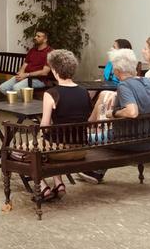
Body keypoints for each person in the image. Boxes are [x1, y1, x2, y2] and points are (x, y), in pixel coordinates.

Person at [79, 47, 150, 184]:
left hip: (130, 141)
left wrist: (113, 113)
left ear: (117, 70)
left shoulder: (124, 86)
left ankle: (93, 171)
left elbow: (132, 112)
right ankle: (97, 171)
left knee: (84, 138)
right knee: (106, 135)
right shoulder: (149, 82)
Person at [37, 50, 92, 201]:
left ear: (55, 71)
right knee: (50, 143)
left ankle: (42, 187)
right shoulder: (84, 92)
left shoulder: (51, 93)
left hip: (60, 150)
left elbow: (45, 126)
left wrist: (41, 135)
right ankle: (58, 183)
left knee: (24, 151)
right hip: (81, 149)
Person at [0, 30, 52, 96]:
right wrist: (21, 74)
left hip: (39, 80)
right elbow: (25, 64)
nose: (35, 37)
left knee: (16, 88)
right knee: (3, 88)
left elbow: (44, 72)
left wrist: (26, 75)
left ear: (45, 40)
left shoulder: (50, 52)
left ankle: (20, 101)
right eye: (35, 36)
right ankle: (18, 101)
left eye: (38, 36)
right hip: (26, 76)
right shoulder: (32, 50)